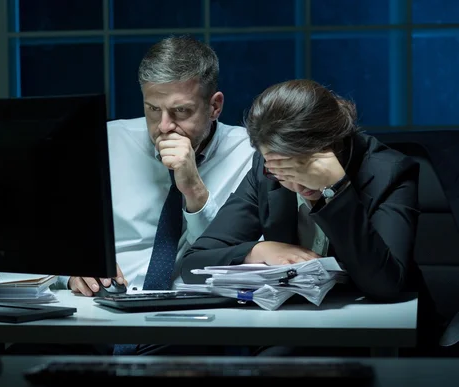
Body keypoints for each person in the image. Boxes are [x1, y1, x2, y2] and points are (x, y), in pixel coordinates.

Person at [181, 78, 440, 353]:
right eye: (280, 170)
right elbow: (194, 263)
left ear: (332, 147)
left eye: (301, 167)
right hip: (293, 325)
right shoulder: (266, 170)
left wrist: (336, 191)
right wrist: (259, 250)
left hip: (377, 335)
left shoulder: (391, 171)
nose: (294, 185)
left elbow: (385, 286)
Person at [56, 35, 255, 296]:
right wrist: (71, 268)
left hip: (199, 311)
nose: (163, 126)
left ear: (215, 106)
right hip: (104, 306)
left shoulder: (250, 155)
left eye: (181, 111)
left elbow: (235, 258)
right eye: (152, 109)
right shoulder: (105, 143)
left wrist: (194, 190)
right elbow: (53, 235)